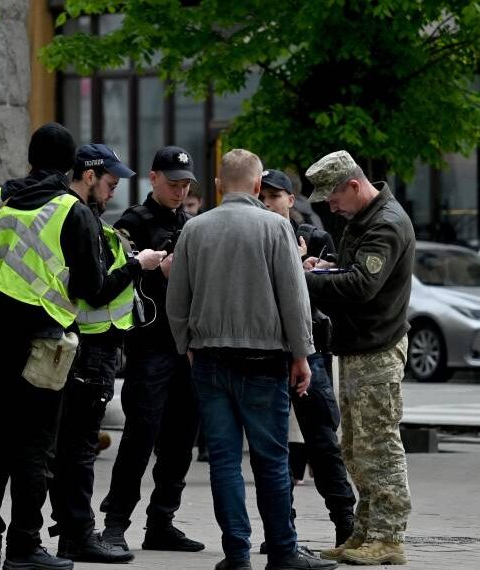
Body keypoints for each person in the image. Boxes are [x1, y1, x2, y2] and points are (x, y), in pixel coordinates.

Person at [0, 123, 144, 570]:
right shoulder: (69, 211)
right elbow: (93, 289)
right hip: (43, 345)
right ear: (75, 166)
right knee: (34, 448)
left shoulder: (3, 202)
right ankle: (24, 547)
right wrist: (133, 268)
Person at [166, 149, 337, 570]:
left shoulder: (195, 229)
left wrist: (186, 344)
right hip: (263, 359)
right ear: (259, 185)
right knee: (271, 459)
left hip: (209, 357)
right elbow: (294, 299)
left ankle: (236, 554)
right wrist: (302, 354)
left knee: (224, 461)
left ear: (220, 185)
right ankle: (282, 550)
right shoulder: (277, 227)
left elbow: (177, 300)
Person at [49, 144, 165, 564]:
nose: (114, 189)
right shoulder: (78, 214)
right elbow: (93, 289)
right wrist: (139, 266)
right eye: (110, 181)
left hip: (83, 345)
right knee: (78, 447)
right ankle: (78, 535)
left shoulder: (76, 213)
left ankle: (71, 529)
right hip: (89, 347)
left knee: (69, 446)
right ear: (89, 175)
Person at [303, 150, 414, 566]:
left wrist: (306, 278)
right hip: (359, 345)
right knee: (354, 446)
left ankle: (388, 538)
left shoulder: (385, 224)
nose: (329, 207)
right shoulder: (363, 218)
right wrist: (327, 266)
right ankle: (364, 533)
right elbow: (350, 272)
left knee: (378, 446)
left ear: (353, 185)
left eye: (332, 198)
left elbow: (361, 286)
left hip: (376, 348)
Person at [99, 145, 204, 553]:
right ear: (153, 178)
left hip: (186, 347)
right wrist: (155, 271)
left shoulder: (192, 224)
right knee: (140, 436)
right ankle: (115, 524)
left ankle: (162, 521)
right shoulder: (132, 223)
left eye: (186, 185)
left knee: (181, 439)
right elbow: (116, 282)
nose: (180, 192)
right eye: (173, 184)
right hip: (150, 346)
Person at [259, 169, 356, 547]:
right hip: (267, 350)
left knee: (323, 443)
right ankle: (281, 531)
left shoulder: (313, 237)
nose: (268, 203)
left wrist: (301, 267)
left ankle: (346, 524)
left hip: (310, 350)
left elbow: (333, 293)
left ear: (290, 198)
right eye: (262, 196)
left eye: (274, 196)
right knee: (274, 448)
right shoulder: (256, 236)